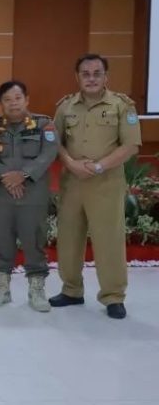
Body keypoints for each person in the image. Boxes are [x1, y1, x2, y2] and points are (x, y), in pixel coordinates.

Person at [51, 54, 141, 319]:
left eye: (97, 73)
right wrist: (70, 163)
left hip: (105, 184)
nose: (91, 78)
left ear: (106, 76)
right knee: (69, 239)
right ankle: (71, 290)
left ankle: (113, 296)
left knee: (109, 240)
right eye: (86, 73)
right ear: (77, 77)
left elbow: (130, 146)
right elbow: (55, 141)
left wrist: (99, 166)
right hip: (72, 183)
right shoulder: (65, 107)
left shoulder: (121, 106)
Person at [0, 80, 57, 312]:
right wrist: (6, 177)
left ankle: (37, 290)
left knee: (34, 239)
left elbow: (49, 153)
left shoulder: (44, 124)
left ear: (26, 100)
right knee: (0, 238)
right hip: (2, 192)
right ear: (0, 103)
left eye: (17, 98)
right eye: (7, 99)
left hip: (32, 194)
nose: (13, 103)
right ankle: (1, 289)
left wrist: (23, 175)